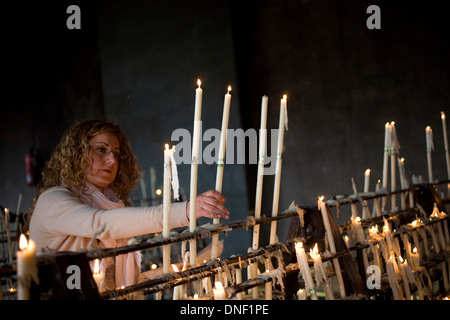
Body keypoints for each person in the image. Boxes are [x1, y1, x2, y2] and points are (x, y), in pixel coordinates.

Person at [25, 118, 229, 292]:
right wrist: (184, 210)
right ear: (76, 153)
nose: (112, 159)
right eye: (101, 149)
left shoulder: (111, 202)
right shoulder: (52, 200)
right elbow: (102, 224)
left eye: (116, 152)